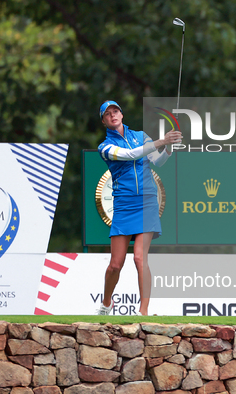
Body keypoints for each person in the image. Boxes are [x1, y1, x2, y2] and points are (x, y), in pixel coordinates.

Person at [97, 100, 181, 316]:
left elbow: (158, 161)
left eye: (115, 111)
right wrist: (163, 140)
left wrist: (169, 147)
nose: (113, 115)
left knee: (139, 257)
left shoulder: (141, 136)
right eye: (108, 114)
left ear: (122, 114)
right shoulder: (105, 147)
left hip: (147, 202)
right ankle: (107, 303)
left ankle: (143, 311)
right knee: (115, 264)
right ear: (104, 121)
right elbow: (130, 155)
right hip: (124, 204)